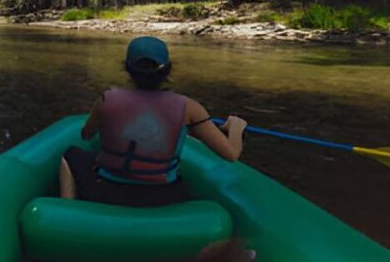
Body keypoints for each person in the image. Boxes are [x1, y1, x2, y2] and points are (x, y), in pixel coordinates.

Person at [59, 36, 248, 209]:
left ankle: (68, 209)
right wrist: (236, 127)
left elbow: (86, 135)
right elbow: (231, 154)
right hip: (165, 196)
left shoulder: (106, 100)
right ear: (167, 70)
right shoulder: (189, 108)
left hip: (107, 191)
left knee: (71, 154)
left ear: (127, 69)